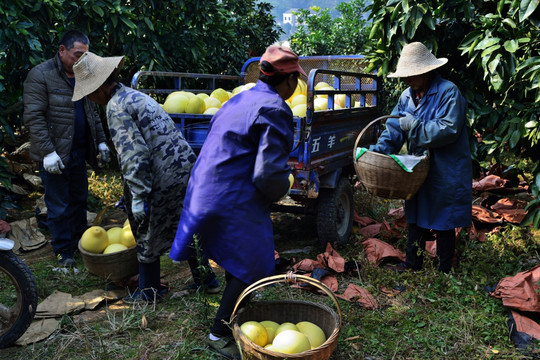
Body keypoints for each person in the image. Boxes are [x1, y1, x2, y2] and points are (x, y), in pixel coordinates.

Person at [169, 45, 305, 359]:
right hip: (232, 195)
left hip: (206, 186)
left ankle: (235, 309)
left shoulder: (241, 98)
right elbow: (267, 173)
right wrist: (286, 183)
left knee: (239, 255)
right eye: (296, 79)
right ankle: (218, 334)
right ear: (287, 82)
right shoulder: (276, 108)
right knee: (255, 263)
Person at [71, 51, 218, 303]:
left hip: (161, 175)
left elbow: (134, 156)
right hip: (184, 170)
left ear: (96, 90)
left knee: (145, 228)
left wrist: (138, 195)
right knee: (187, 224)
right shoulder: (134, 95)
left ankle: (149, 291)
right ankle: (207, 281)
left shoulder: (116, 107)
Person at [370, 42, 472, 273]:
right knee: (415, 212)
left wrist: (416, 126)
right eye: (405, 76)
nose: (407, 80)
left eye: (412, 75)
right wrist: (378, 150)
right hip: (418, 166)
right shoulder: (407, 96)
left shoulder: (448, 92)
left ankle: (445, 268)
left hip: (446, 167)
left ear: (426, 71)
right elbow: (393, 130)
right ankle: (412, 263)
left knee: (444, 217)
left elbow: (449, 128)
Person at [23, 30, 110, 267]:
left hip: (78, 150)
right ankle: (63, 251)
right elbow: (34, 117)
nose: (81, 60)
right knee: (58, 204)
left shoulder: (83, 75)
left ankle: (81, 244)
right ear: (62, 50)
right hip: (55, 153)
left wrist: (101, 140)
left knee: (79, 200)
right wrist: (48, 151)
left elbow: (93, 111)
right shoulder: (40, 75)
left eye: (85, 55)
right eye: (77, 54)